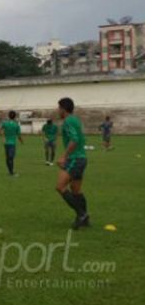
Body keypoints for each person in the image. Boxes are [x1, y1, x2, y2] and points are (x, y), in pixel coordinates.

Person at [56, 98, 90, 229]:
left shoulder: (68, 121)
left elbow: (75, 139)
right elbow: (81, 138)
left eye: (59, 108)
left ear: (63, 109)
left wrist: (64, 156)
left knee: (60, 187)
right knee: (76, 191)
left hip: (75, 159)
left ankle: (82, 214)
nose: (58, 110)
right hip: (82, 158)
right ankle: (84, 219)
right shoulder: (75, 119)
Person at [0, 111, 23, 176]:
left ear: (8, 116)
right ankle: (11, 172)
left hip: (6, 143)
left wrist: (3, 137)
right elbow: (19, 136)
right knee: (11, 158)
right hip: (12, 144)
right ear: (15, 116)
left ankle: (10, 171)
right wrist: (22, 141)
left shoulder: (5, 123)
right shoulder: (16, 125)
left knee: (7, 158)